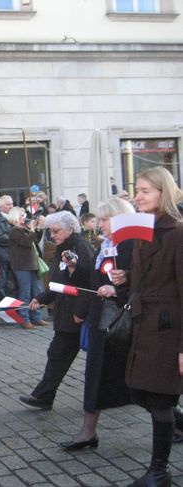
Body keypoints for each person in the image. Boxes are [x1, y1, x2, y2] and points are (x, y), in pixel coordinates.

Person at [109, 167, 183, 486]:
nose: (137, 197)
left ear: (163, 194)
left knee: (160, 399)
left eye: (145, 191)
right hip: (143, 325)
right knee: (141, 393)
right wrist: (124, 280)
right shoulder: (141, 230)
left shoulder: (178, 233)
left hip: (168, 328)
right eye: (136, 190)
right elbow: (141, 281)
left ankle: (159, 471)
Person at [60, 197, 135, 451]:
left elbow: (144, 283)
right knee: (95, 376)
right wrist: (75, 267)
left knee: (139, 381)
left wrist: (118, 289)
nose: (99, 224)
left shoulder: (132, 246)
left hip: (123, 324)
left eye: (105, 219)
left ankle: (174, 421)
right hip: (102, 323)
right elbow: (94, 281)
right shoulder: (105, 245)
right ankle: (87, 431)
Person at [20, 211, 93, 410]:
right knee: (57, 355)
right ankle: (43, 395)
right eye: (51, 231)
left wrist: (79, 313)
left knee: (59, 355)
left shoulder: (81, 248)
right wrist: (41, 298)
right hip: (64, 312)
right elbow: (57, 283)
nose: (53, 235)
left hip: (75, 314)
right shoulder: (62, 247)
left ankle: (43, 395)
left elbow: (88, 284)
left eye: (57, 231)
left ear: (71, 229)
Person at [7, 207, 47, 330]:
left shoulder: (25, 229)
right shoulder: (15, 231)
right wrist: (32, 230)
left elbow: (35, 240)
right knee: (25, 292)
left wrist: (38, 229)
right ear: (15, 218)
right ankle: (24, 318)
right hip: (22, 265)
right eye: (21, 216)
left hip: (32, 264)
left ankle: (36, 316)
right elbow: (26, 242)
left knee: (36, 291)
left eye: (24, 215)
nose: (24, 217)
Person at [0, 195, 14, 299]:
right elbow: (0, 237)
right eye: (8, 204)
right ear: (1, 206)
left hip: (14, 254)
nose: (11, 206)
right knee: (3, 280)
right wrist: (15, 239)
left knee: (14, 280)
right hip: (2, 255)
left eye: (12, 204)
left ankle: (13, 301)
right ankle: (3, 301)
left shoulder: (14, 218)